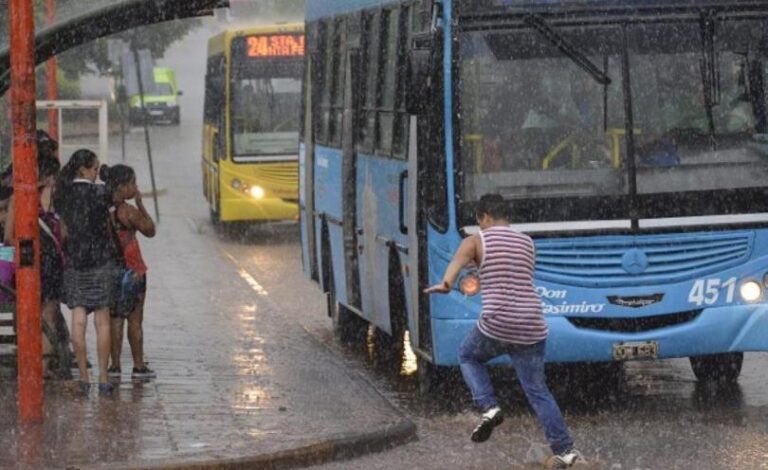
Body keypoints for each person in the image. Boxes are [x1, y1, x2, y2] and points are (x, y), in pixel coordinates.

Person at [424, 194, 584, 468]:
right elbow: (515, 276)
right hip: (532, 323)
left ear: (484, 217)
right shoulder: (527, 243)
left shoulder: (475, 240)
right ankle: (566, 450)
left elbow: (456, 266)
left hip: (498, 321)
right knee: (537, 390)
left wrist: (446, 284)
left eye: (480, 221)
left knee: (468, 355)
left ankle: (489, 407)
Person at [54, 149, 117, 394]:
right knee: (102, 322)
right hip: (100, 261)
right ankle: (103, 377)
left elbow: (64, 230)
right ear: (84, 169)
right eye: (94, 168)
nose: (96, 172)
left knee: (78, 320)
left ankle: (83, 376)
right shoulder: (101, 193)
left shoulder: (63, 194)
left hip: (74, 262)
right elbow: (109, 223)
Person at [4, 153, 66, 379]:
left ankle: (27, 361)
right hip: (51, 262)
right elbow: (65, 233)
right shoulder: (56, 198)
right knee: (49, 311)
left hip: (26, 259)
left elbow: (10, 237)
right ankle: (44, 365)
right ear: (52, 176)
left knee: (25, 311)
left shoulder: (18, 197)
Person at [101, 164, 156, 379]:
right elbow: (150, 230)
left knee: (115, 317)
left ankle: (114, 366)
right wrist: (141, 205)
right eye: (132, 183)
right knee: (135, 319)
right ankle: (138, 366)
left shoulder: (102, 209)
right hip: (133, 270)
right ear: (122, 187)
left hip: (110, 269)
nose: (135, 187)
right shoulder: (127, 211)